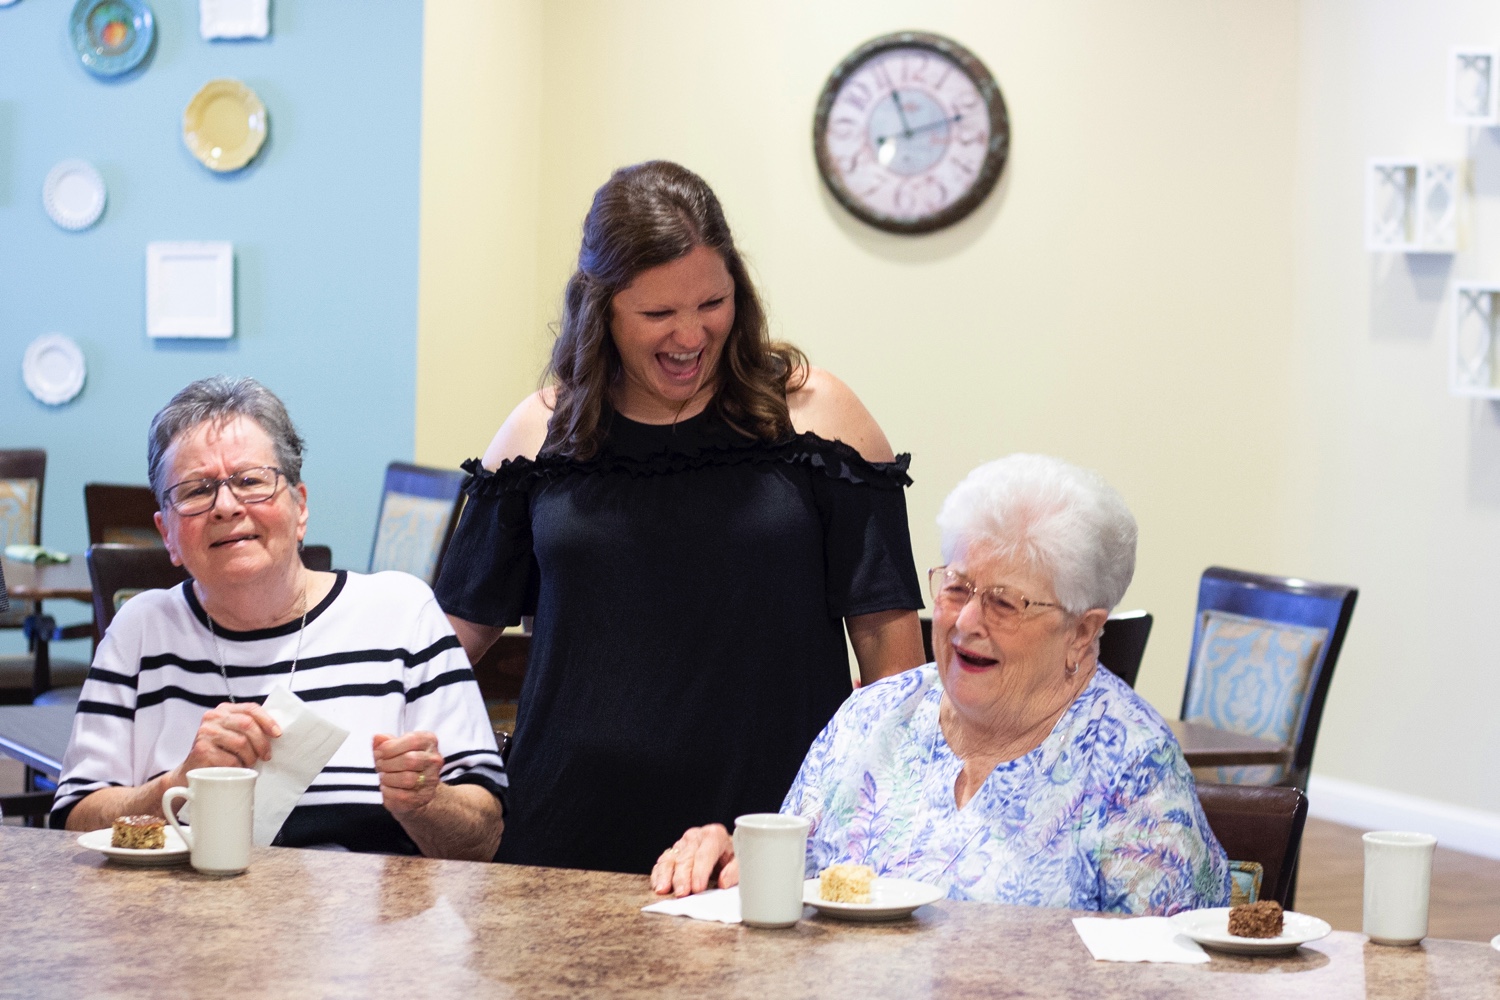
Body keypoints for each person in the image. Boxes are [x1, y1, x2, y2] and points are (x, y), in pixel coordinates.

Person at [435, 161, 927, 874]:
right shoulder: (538, 434)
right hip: (564, 836)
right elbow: (446, 647)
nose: (691, 335)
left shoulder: (820, 420)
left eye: (712, 303)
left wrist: (882, 835)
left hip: (769, 838)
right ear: (599, 309)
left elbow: (892, 662)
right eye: (658, 314)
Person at [652, 454, 1230, 914]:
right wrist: (730, 863)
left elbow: (1177, 972)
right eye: (956, 588)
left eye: (1005, 602)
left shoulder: (1132, 766)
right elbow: (790, 897)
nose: (966, 622)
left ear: (1083, 632)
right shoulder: (871, 720)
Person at [51, 377, 506, 860]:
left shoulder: (402, 615)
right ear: (167, 533)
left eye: (250, 481)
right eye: (197, 490)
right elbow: (73, 823)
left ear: (300, 507)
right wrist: (177, 784)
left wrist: (426, 803)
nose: (226, 506)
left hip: (370, 926)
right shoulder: (141, 630)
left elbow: (484, 836)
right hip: (182, 923)